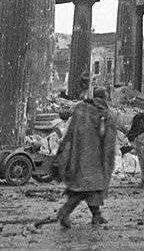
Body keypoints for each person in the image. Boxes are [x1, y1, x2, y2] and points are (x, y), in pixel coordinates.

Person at [52, 87, 117, 228]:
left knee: (90, 188)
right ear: (105, 98)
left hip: (76, 157)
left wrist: (65, 153)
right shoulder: (105, 114)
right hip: (94, 159)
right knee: (87, 188)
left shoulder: (80, 109)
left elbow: (70, 133)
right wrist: (108, 161)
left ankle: (97, 215)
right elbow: (109, 141)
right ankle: (64, 213)